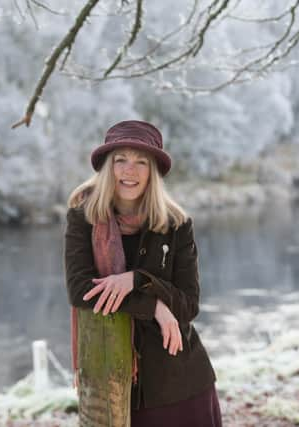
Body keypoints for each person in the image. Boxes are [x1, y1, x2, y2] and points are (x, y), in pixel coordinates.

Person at [64, 120, 222, 427]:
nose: (129, 170)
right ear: (108, 167)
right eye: (120, 160)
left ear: (154, 172)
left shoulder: (176, 224)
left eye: (141, 162)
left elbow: (188, 306)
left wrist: (136, 280)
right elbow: (81, 289)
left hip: (180, 379)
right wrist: (154, 306)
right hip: (113, 378)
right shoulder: (83, 218)